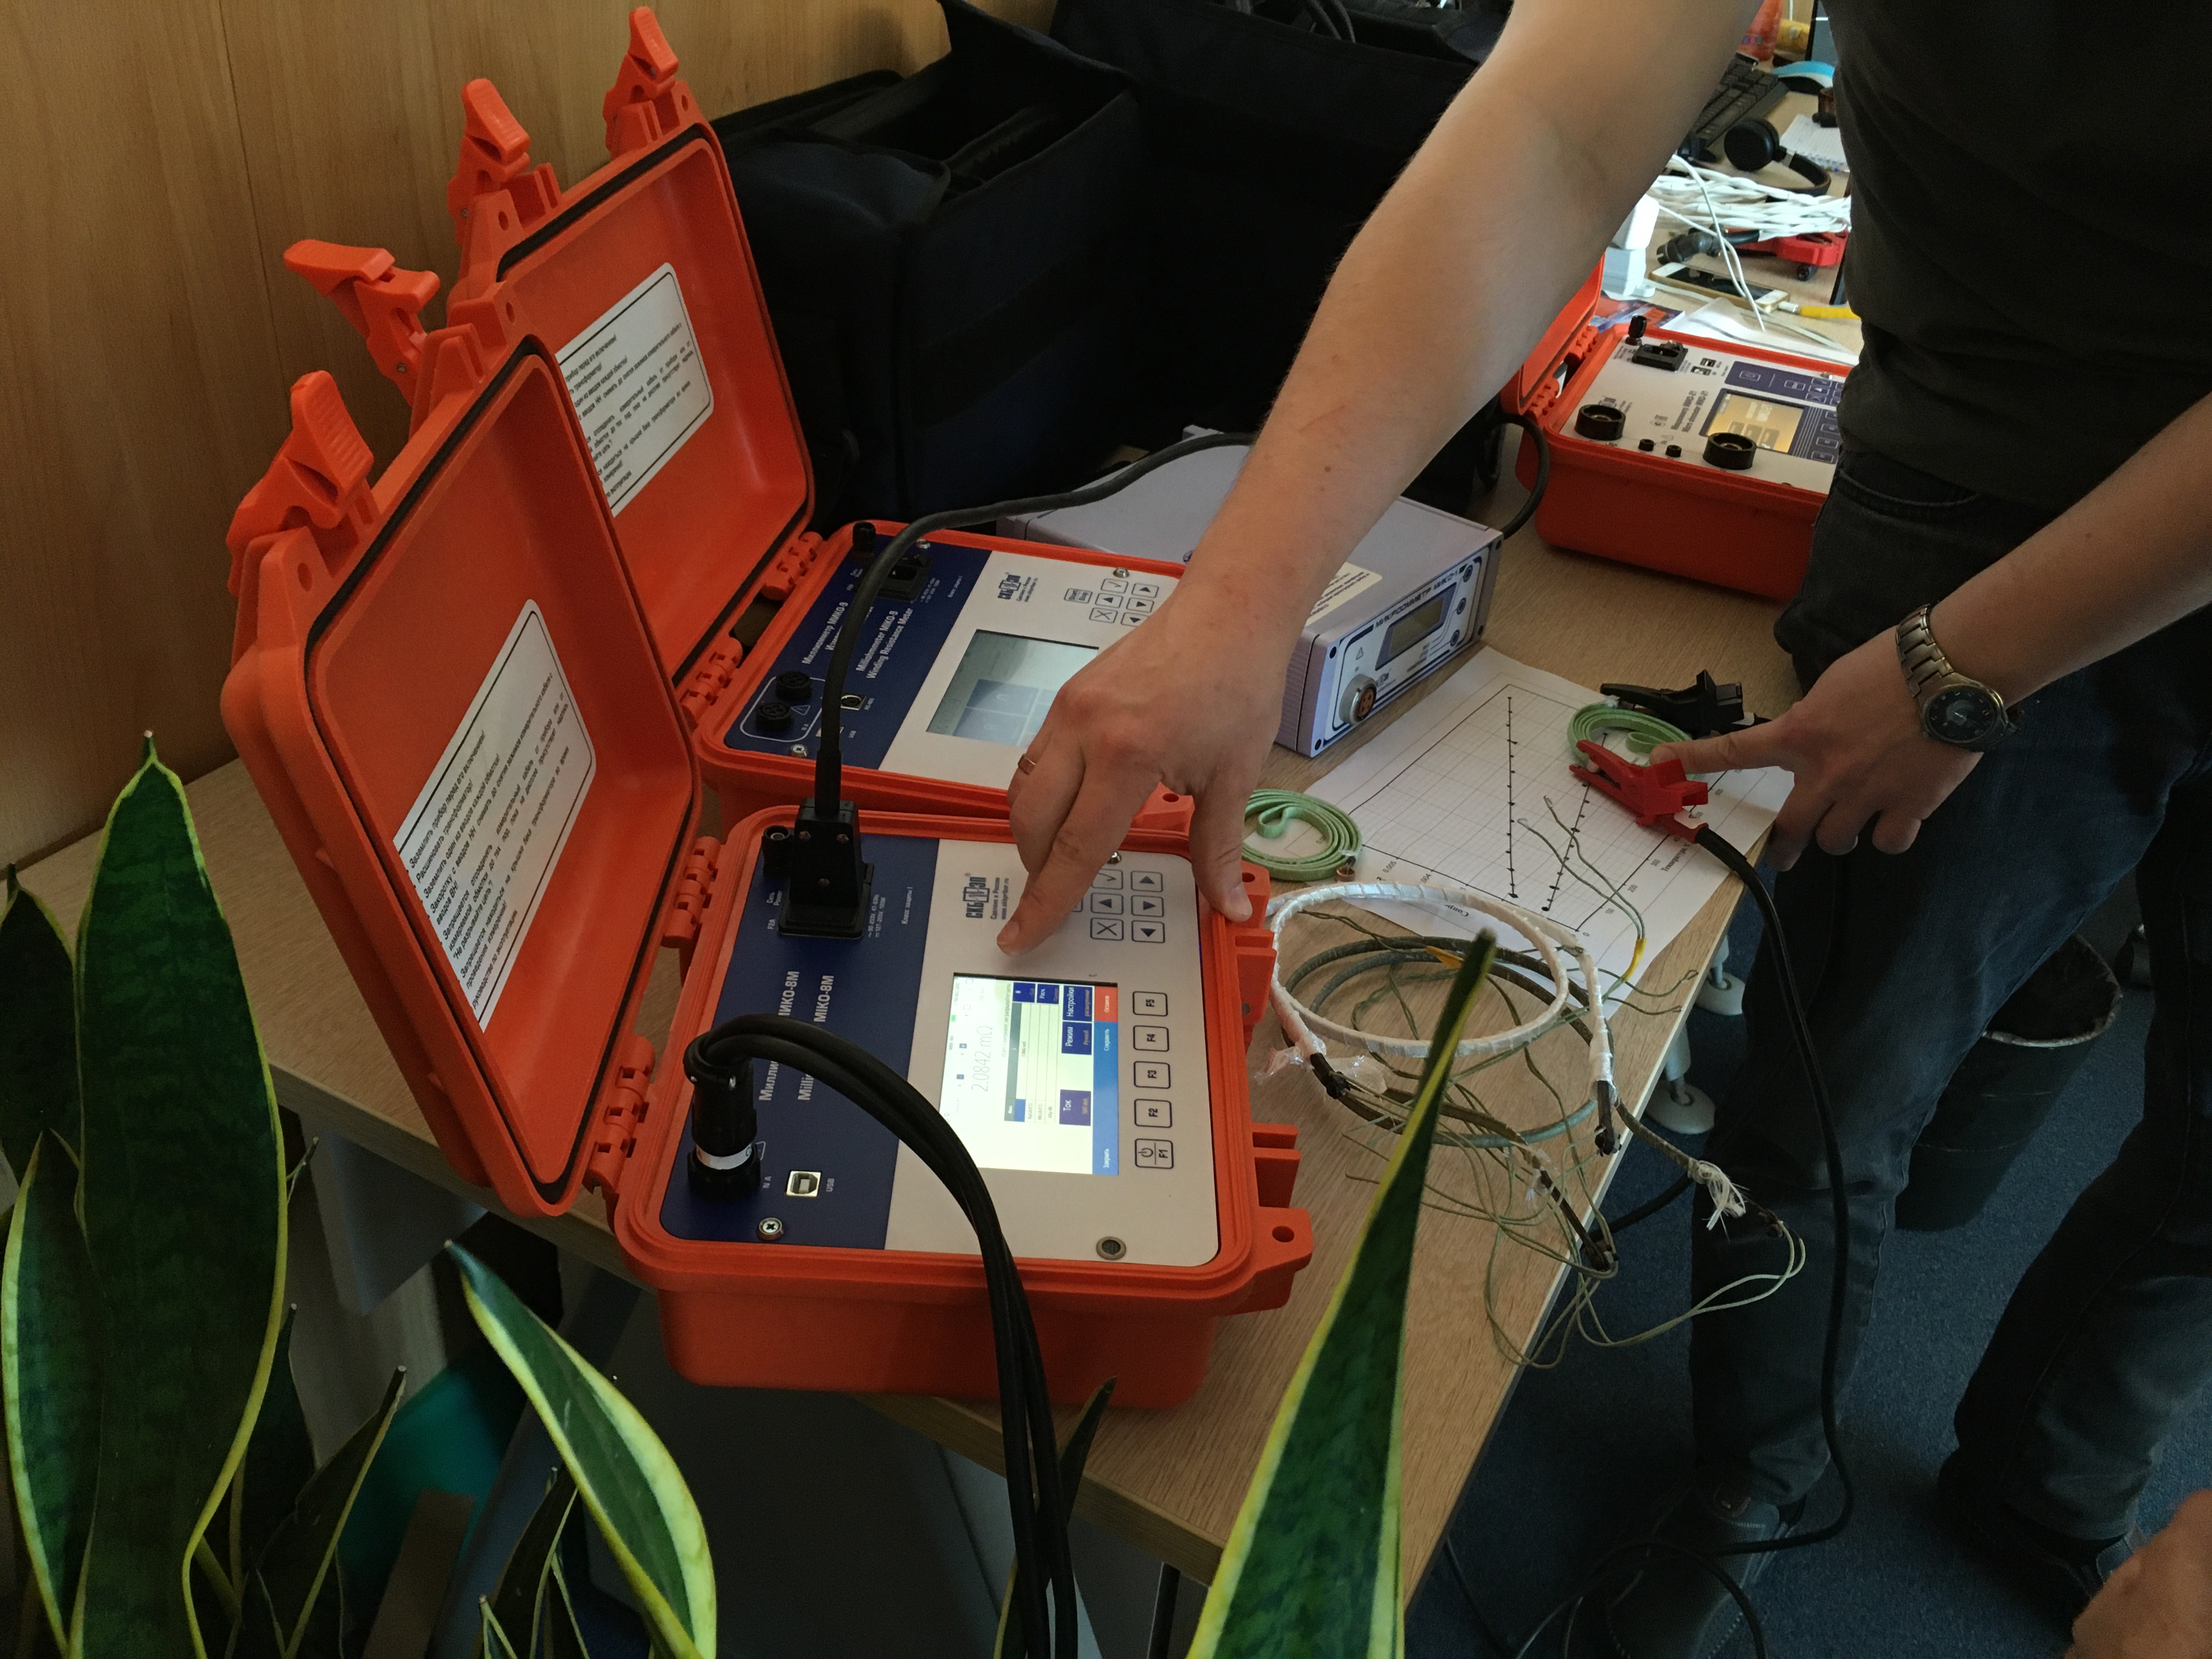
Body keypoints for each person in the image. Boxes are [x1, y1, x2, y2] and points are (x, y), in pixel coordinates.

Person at [992, 2, 2212, 1654]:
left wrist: (1964, 669)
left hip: (1982, 620)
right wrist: (1237, 603)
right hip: (1977, 491)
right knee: (1836, 1090)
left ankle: (2056, 1483)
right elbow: (1556, 129)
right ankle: (1757, 1477)